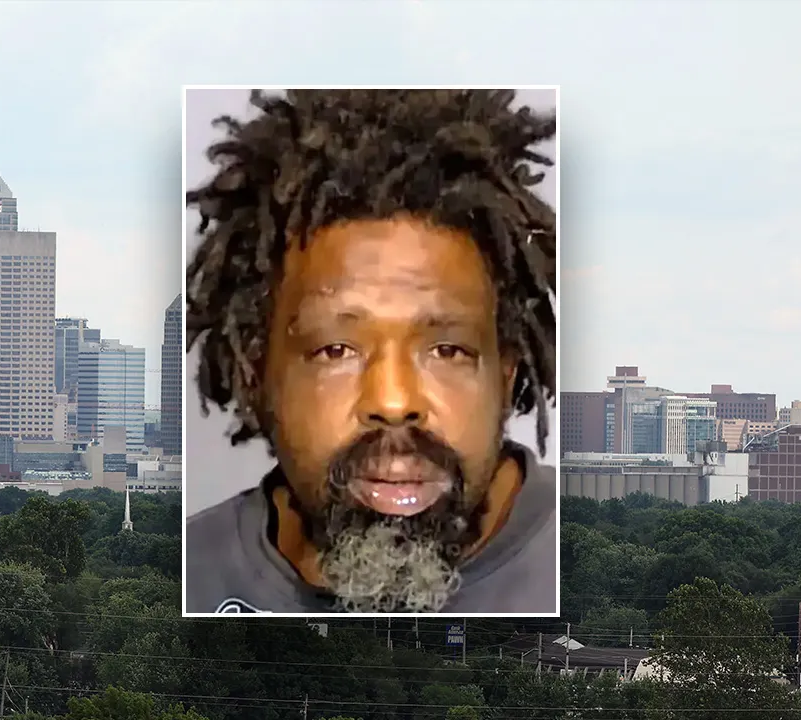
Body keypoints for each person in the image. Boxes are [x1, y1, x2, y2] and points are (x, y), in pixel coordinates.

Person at [183, 89, 558, 614]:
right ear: (255, 375)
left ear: (507, 373)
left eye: (448, 350)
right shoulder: (186, 576)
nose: (394, 400)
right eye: (335, 350)